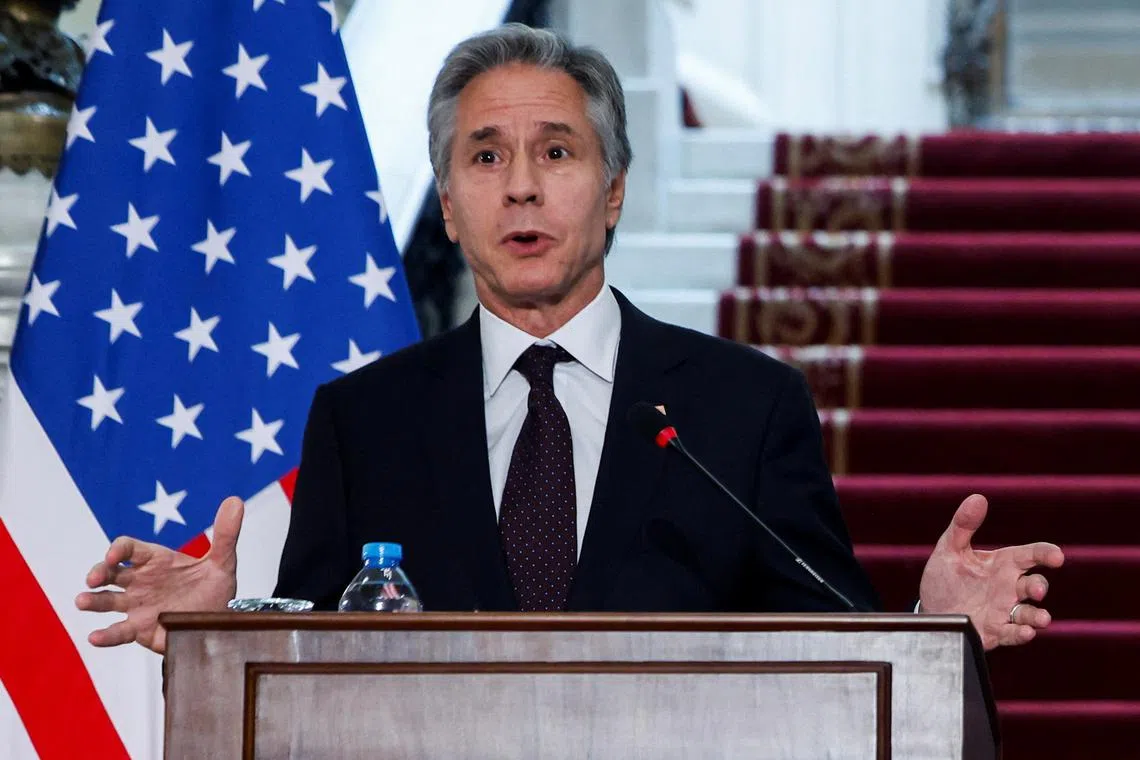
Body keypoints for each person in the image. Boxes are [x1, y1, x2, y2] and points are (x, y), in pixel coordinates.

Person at [76, 23, 1063, 655]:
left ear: (614, 190)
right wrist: (216, 632)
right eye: (485, 156)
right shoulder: (362, 418)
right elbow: (311, 668)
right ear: (452, 208)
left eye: (557, 151)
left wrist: (930, 629)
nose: (521, 186)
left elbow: (838, 644)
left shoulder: (744, 406)